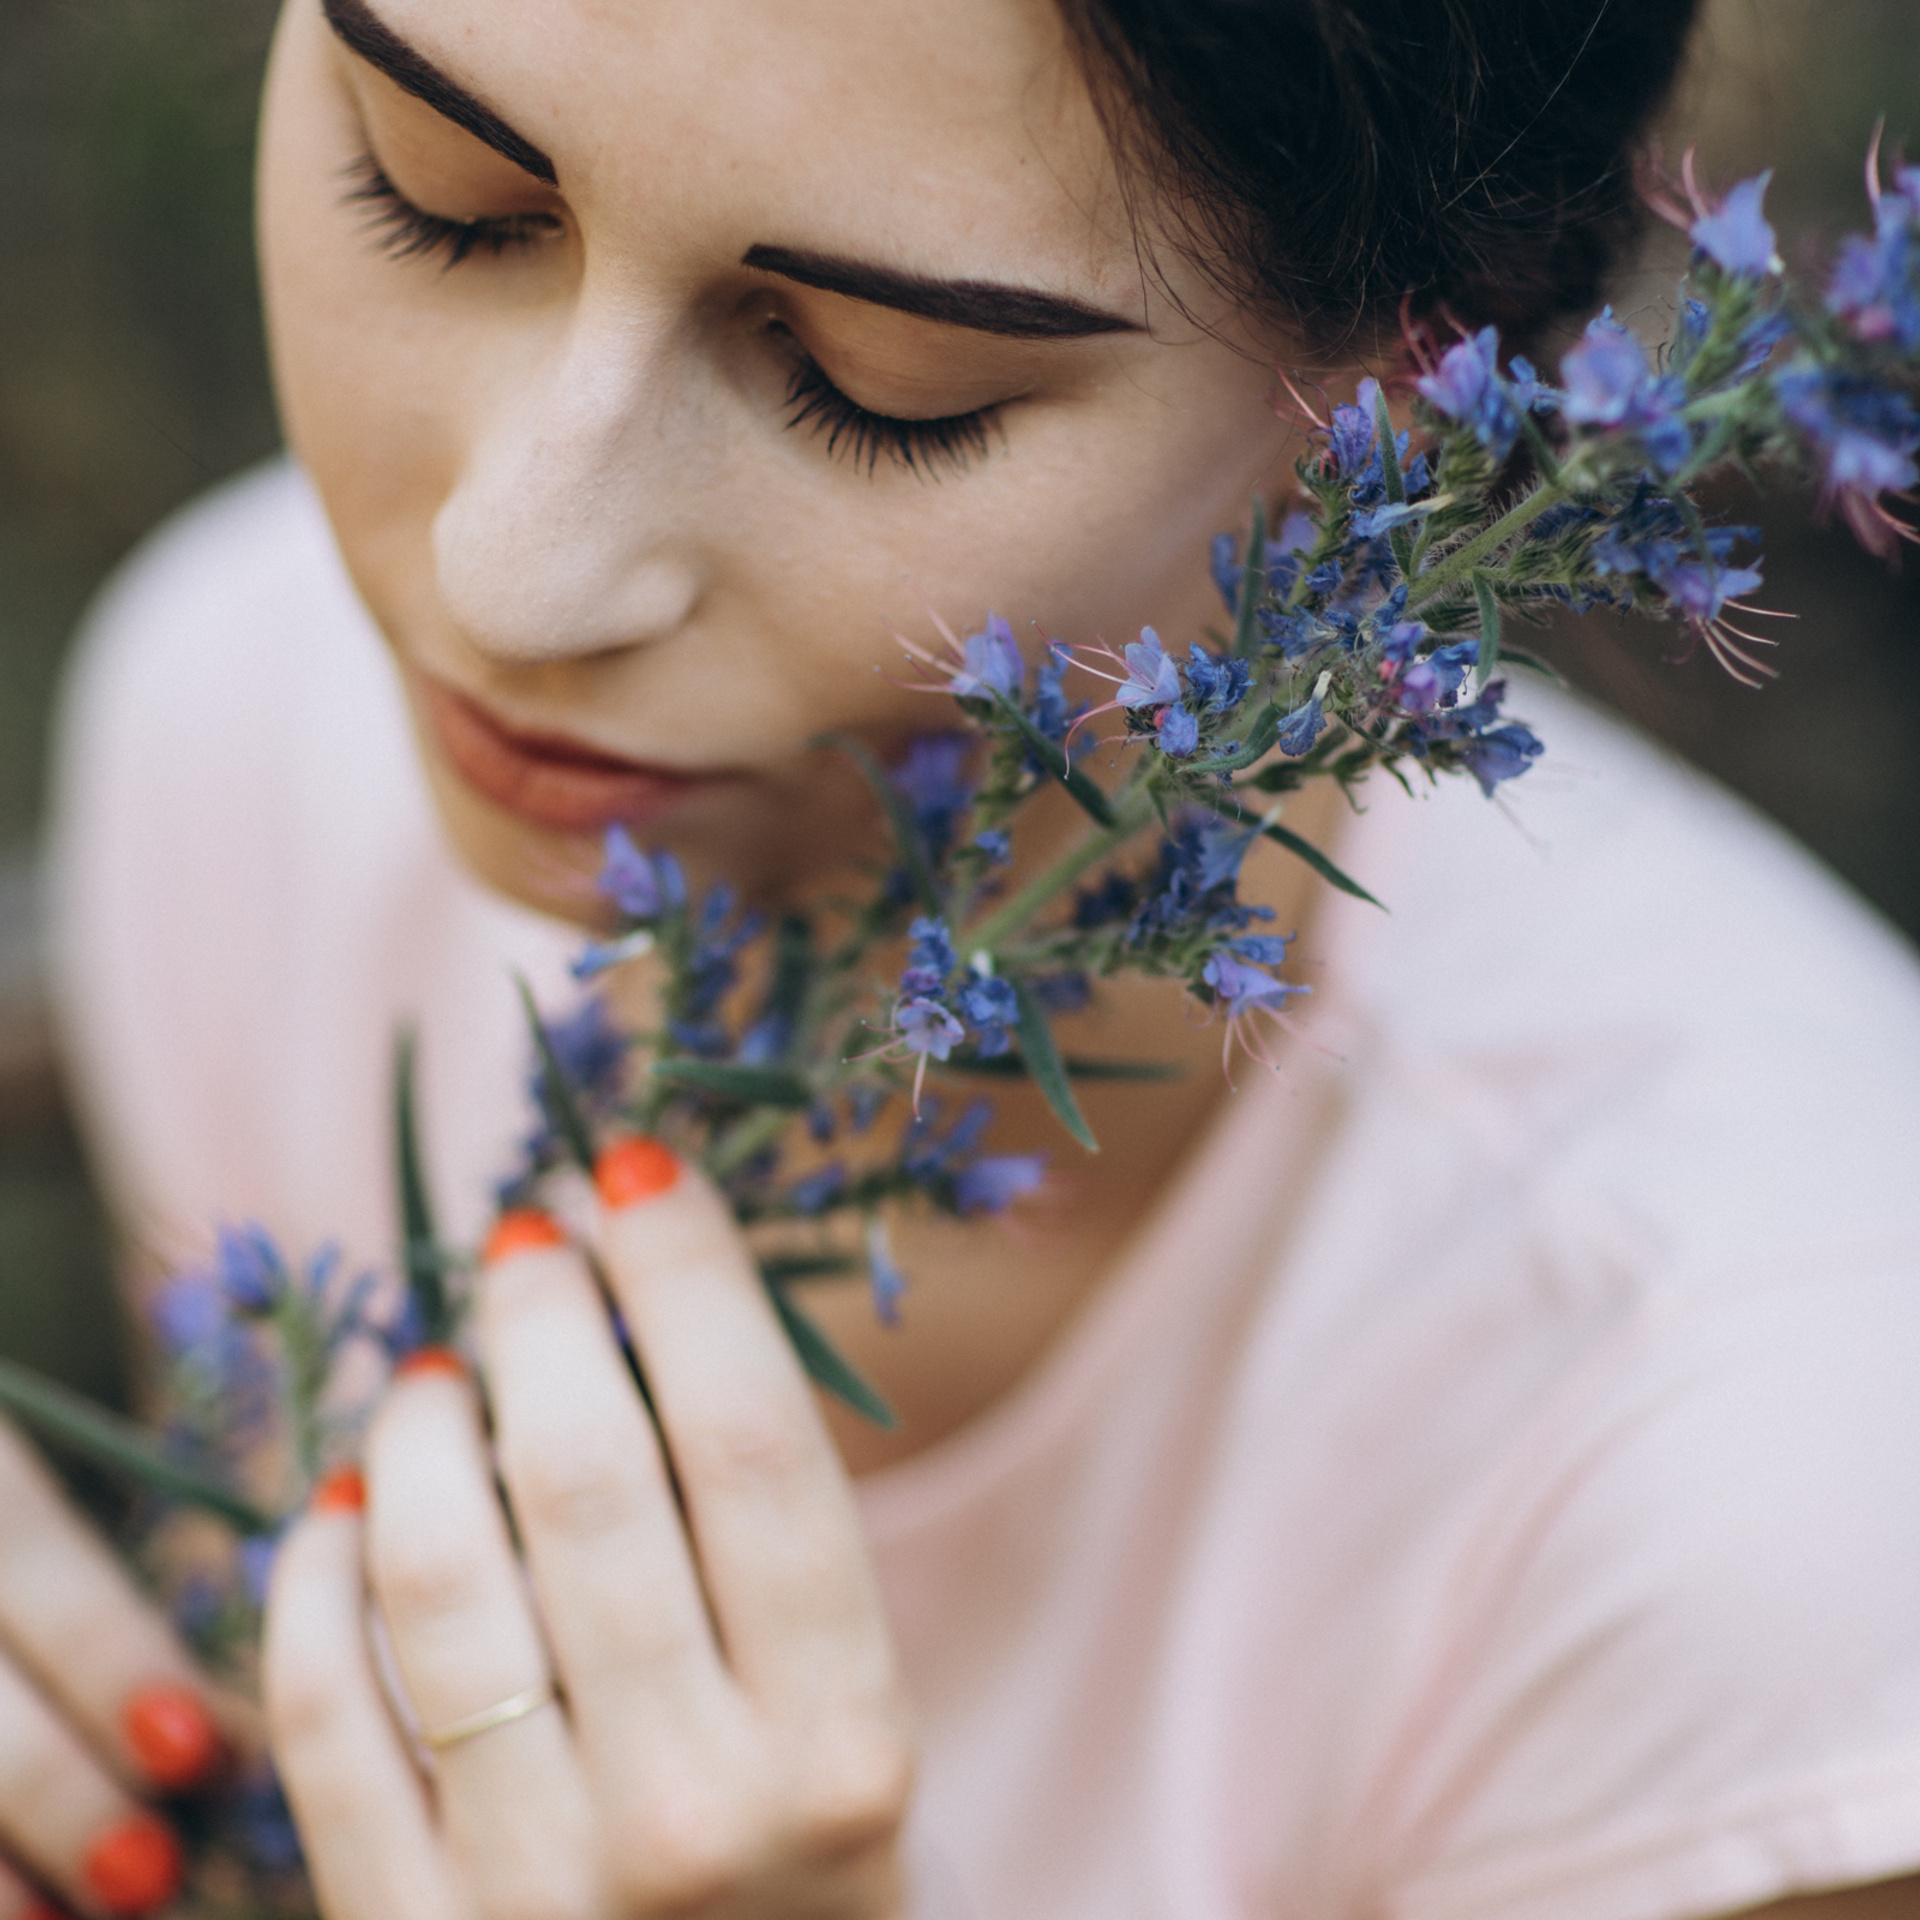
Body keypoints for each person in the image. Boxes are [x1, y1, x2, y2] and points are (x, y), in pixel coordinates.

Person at [13, 0, 1920, 1913]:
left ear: (1411, 405)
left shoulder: (1766, 1481)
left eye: (880, 386)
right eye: (435, 195)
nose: (511, 574)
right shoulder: (247, 717)